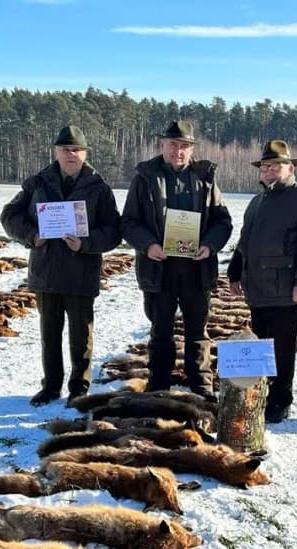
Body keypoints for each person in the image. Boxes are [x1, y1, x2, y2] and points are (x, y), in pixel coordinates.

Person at [0, 125, 122, 405]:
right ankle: (51, 386)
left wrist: (86, 243)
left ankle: (79, 387)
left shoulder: (99, 187)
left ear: (85, 153)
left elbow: (114, 230)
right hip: (47, 272)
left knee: (82, 335)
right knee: (49, 335)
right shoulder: (38, 182)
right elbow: (9, 215)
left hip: (81, 273)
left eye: (77, 150)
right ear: (55, 152)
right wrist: (32, 235)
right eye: (66, 149)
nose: (71, 154)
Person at [121, 120, 233, 401]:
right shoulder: (145, 178)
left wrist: (209, 245)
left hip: (196, 269)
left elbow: (222, 221)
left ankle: (201, 384)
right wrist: (148, 245)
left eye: (184, 146)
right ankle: (159, 384)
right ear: (162, 145)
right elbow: (129, 222)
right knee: (160, 331)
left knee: (198, 332)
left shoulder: (205, 177)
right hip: (158, 268)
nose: (178, 151)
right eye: (173, 145)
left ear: (191, 149)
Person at [227, 140, 297, 423]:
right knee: (261, 345)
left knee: (282, 347)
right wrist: (235, 270)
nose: (269, 171)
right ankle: (262, 393)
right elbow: (245, 240)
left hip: (287, 289)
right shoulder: (257, 201)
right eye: (265, 166)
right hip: (258, 287)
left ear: (290, 167)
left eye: (276, 166)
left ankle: (281, 399)